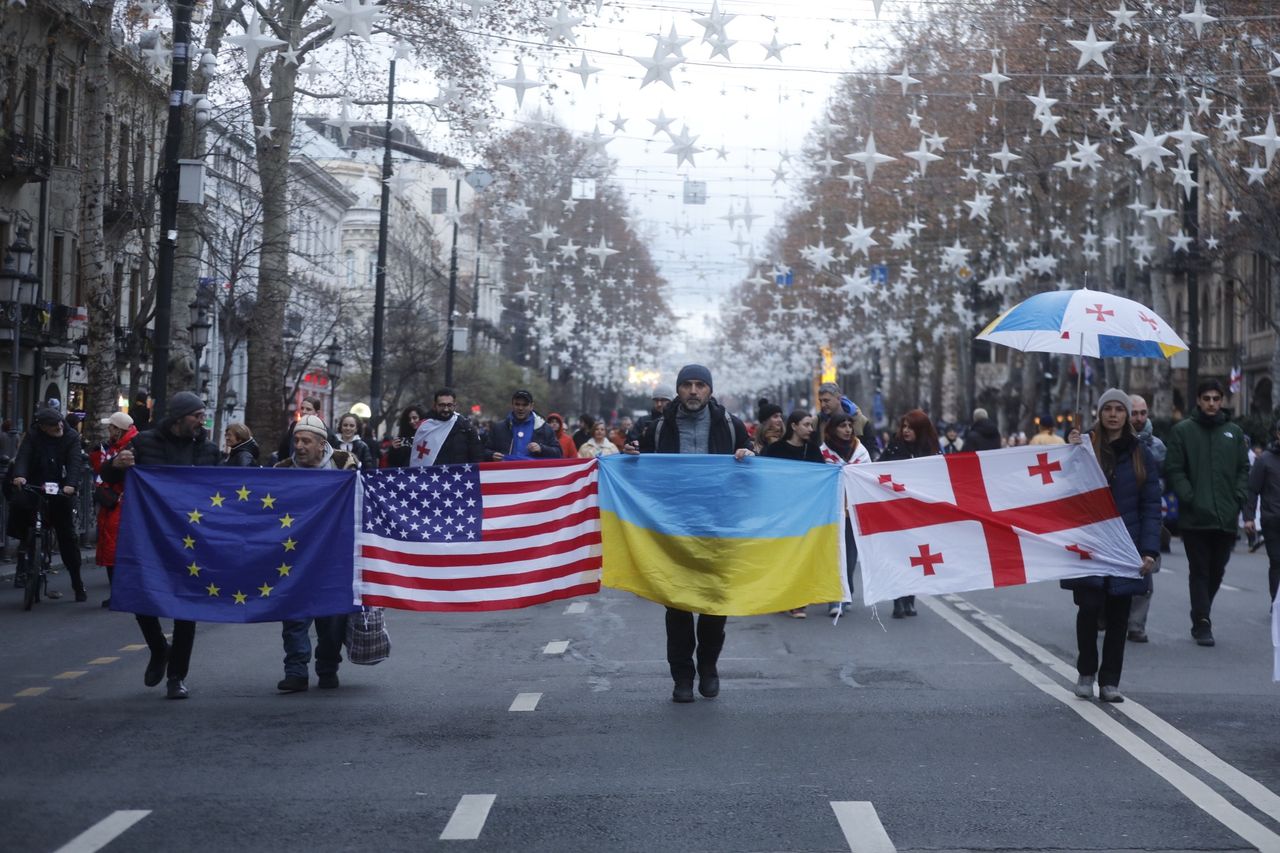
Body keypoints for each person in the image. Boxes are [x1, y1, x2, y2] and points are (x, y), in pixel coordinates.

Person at [627, 364, 753, 703]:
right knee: (678, 608)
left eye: (700, 385)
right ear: (678, 390)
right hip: (672, 530)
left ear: (710, 391)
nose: (694, 391)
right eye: (687, 385)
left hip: (717, 529)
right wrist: (631, 459)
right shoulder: (657, 429)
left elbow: (754, 468)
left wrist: (748, 456)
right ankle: (682, 677)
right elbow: (639, 475)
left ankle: (708, 667)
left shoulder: (730, 426)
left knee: (714, 605)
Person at [104, 391, 220, 699]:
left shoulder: (208, 450)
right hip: (150, 537)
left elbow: (221, 491)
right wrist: (118, 464)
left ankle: (176, 676)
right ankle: (158, 648)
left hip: (192, 540)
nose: (201, 421)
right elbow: (106, 475)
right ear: (181, 417)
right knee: (142, 598)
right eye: (197, 415)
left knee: (186, 608)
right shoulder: (143, 444)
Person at [1064, 389, 1160, 702]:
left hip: (1126, 547)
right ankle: (1086, 671)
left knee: (1119, 615)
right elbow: (1065, 490)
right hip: (1090, 544)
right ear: (1100, 413)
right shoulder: (1085, 448)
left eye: (1121, 409)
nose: (1115, 414)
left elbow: (1150, 505)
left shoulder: (1141, 453)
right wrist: (1071, 452)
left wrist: (1149, 550)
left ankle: (1109, 682)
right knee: (1089, 610)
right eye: (1109, 409)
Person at [273, 415, 358, 692]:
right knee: (294, 616)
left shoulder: (346, 467)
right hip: (293, 557)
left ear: (322, 445)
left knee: (332, 619)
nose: (299, 446)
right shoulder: (281, 471)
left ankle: (327, 666)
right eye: (296, 440)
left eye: (306, 441)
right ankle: (295, 670)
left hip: (333, 556)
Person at [1164, 379, 1250, 647]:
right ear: (1199, 401)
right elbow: (1174, 469)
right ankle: (1202, 621)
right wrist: (1189, 497)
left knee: (1217, 571)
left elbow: (1243, 470)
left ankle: (1201, 612)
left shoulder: (1233, 433)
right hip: (1195, 518)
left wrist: (1238, 498)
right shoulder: (1183, 431)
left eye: (1216, 398)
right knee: (1199, 570)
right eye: (1206, 398)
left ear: (1222, 400)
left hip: (1225, 516)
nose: (1211, 403)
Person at [9, 406, 87, 602]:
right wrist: (20, 476)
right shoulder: (34, 435)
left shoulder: (70, 437)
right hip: (36, 483)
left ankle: (77, 583)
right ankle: (24, 563)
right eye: (53, 425)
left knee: (67, 536)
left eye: (60, 422)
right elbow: (23, 457)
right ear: (43, 427)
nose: (59, 426)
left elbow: (75, 463)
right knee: (22, 515)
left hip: (60, 489)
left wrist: (70, 485)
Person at [879, 409, 941, 618]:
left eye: (910, 427)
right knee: (898, 555)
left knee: (916, 556)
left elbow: (940, 479)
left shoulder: (931, 451)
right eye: (904, 426)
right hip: (896, 512)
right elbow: (877, 471)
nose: (905, 431)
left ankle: (910, 599)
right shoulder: (894, 447)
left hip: (921, 514)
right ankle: (898, 600)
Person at [762, 410, 825, 617]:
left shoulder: (813, 451)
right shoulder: (775, 449)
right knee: (782, 555)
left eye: (811, 425)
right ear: (794, 426)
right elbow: (763, 475)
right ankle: (781, 595)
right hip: (780, 513)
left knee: (802, 555)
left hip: (805, 513)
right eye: (806, 425)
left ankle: (798, 601)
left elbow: (824, 479)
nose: (810, 429)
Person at [819, 412, 871, 617]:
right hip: (830, 512)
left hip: (853, 512)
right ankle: (835, 598)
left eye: (850, 425)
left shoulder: (861, 452)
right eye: (843, 425)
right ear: (833, 428)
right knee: (833, 555)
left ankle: (847, 587)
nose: (848, 429)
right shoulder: (822, 452)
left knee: (850, 557)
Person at [1126, 394, 1166, 642]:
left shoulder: (1157, 447)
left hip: (1145, 516)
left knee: (1145, 570)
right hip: (1118, 516)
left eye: (1143, 413)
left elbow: (1161, 483)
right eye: (1134, 413)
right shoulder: (1106, 442)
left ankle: (1136, 625)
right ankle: (1108, 615)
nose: (1139, 418)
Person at [90, 411, 138, 608]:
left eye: (111, 427)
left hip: (121, 503)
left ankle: (120, 593)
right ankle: (119, 592)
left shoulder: (130, 448)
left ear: (118, 429)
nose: (108, 429)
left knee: (115, 549)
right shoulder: (116, 446)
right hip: (114, 502)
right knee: (114, 548)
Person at [1245, 418, 1280, 608]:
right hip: (1272, 519)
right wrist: (1249, 518)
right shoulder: (1265, 460)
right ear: (1278, 434)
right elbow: (1253, 489)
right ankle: (1276, 603)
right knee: (1277, 562)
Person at [410, 389, 483, 467]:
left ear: (455, 405)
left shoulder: (466, 427)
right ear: (435, 406)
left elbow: (477, 456)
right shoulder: (425, 427)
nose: (446, 409)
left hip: (459, 476)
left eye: (449, 405)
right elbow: (418, 458)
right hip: (433, 476)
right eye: (442, 405)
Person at [484, 390, 562, 461]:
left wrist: (541, 448)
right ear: (512, 405)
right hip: (507, 474)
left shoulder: (545, 428)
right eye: (517, 404)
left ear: (531, 406)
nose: (520, 408)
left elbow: (558, 453)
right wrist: (491, 455)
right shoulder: (498, 428)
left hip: (533, 474)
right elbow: (484, 452)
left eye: (525, 405)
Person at [276, 396, 326, 462]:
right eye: (302, 408)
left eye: (308, 409)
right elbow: (284, 450)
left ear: (317, 412)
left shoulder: (324, 430)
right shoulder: (294, 426)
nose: (304, 411)